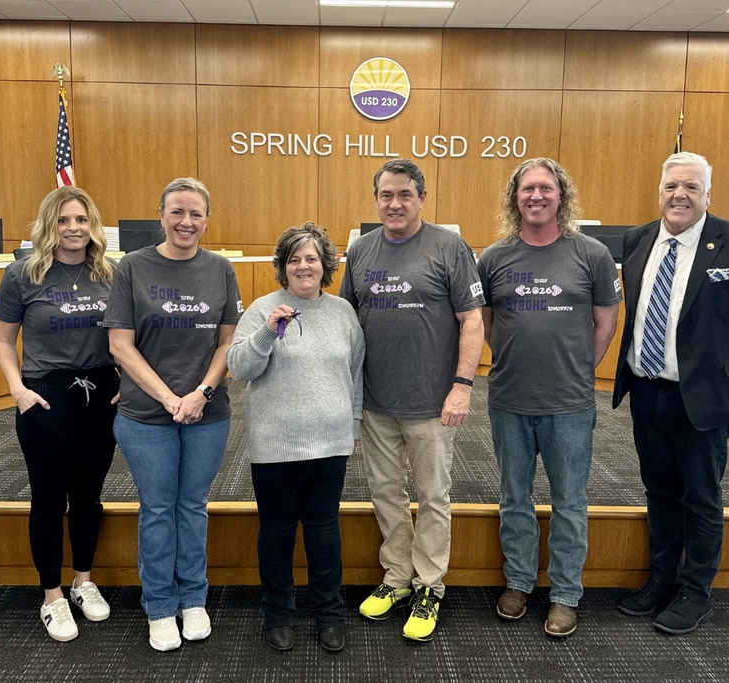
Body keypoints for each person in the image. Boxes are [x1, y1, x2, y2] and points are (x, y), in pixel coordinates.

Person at [612, 152, 729, 635]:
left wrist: (722, 367)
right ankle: (663, 580)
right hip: (647, 392)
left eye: (690, 187)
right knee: (659, 492)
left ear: (708, 192)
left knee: (701, 496)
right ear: (660, 190)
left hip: (703, 397)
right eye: (671, 186)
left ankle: (695, 591)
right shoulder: (638, 239)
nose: (679, 195)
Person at [339, 158, 485, 642]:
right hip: (376, 402)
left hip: (433, 402)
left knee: (433, 497)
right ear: (376, 199)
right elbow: (345, 319)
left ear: (422, 197)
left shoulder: (449, 246)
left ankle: (429, 586)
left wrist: (462, 385)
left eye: (404, 194)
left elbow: (472, 320)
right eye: (386, 195)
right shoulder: (360, 250)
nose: (395, 204)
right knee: (385, 493)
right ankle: (397, 577)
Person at [478, 158, 621, 638]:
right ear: (514, 197)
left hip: (570, 403)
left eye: (545, 188)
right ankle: (518, 582)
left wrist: (579, 365)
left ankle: (564, 594)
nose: (536, 196)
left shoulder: (592, 254)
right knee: (514, 498)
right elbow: (489, 325)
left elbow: (605, 321)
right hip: (510, 399)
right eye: (526, 189)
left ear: (561, 196)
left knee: (569, 502)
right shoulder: (494, 258)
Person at [104, 177, 243, 652]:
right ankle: (160, 606)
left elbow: (228, 342)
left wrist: (202, 392)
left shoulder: (222, 269)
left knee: (192, 507)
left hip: (209, 411)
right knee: (158, 509)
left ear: (207, 218)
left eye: (196, 214)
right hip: (146, 414)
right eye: (177, 212)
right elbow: (119, 344)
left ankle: (194, 599)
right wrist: (169, 398)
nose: (187, 222)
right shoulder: (132, 268)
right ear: (161, 215)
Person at [226, 223, 364, 653]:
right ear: (282, 267)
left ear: (325, 265)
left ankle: (328, 613)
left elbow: (355, 373)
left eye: (311, 259)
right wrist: (268, 330)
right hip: (275, 446)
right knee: (278, 533)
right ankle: (278, 613)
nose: (303, 266)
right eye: (294, 259)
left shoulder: (343, 312)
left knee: (324, 533)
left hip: (330, 445)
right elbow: (238, 367)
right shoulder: (263, 308)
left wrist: (353, 425)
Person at [0, 186, 119, 642]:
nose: (73, 228)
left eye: (81, 220)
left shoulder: (110, 272)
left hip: (101, 393)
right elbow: (4, 340)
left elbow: (128, 334)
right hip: (45, 396)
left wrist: (126, 382)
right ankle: (52, 596)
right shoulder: (23, 274)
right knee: (48, 499)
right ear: (50, 224)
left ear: (93, 225)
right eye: (64, 220)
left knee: (88, 495)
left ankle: (84, 581)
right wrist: (17, 390)